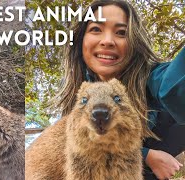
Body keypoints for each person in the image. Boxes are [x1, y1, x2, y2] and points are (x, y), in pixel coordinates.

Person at [52, 0, 185, 179]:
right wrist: (147, 155)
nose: (107, 41)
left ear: (134, 42)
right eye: (96, 29)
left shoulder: (152, 77)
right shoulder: (80, 90)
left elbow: (171, 87)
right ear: (81, 40)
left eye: (121, 32)